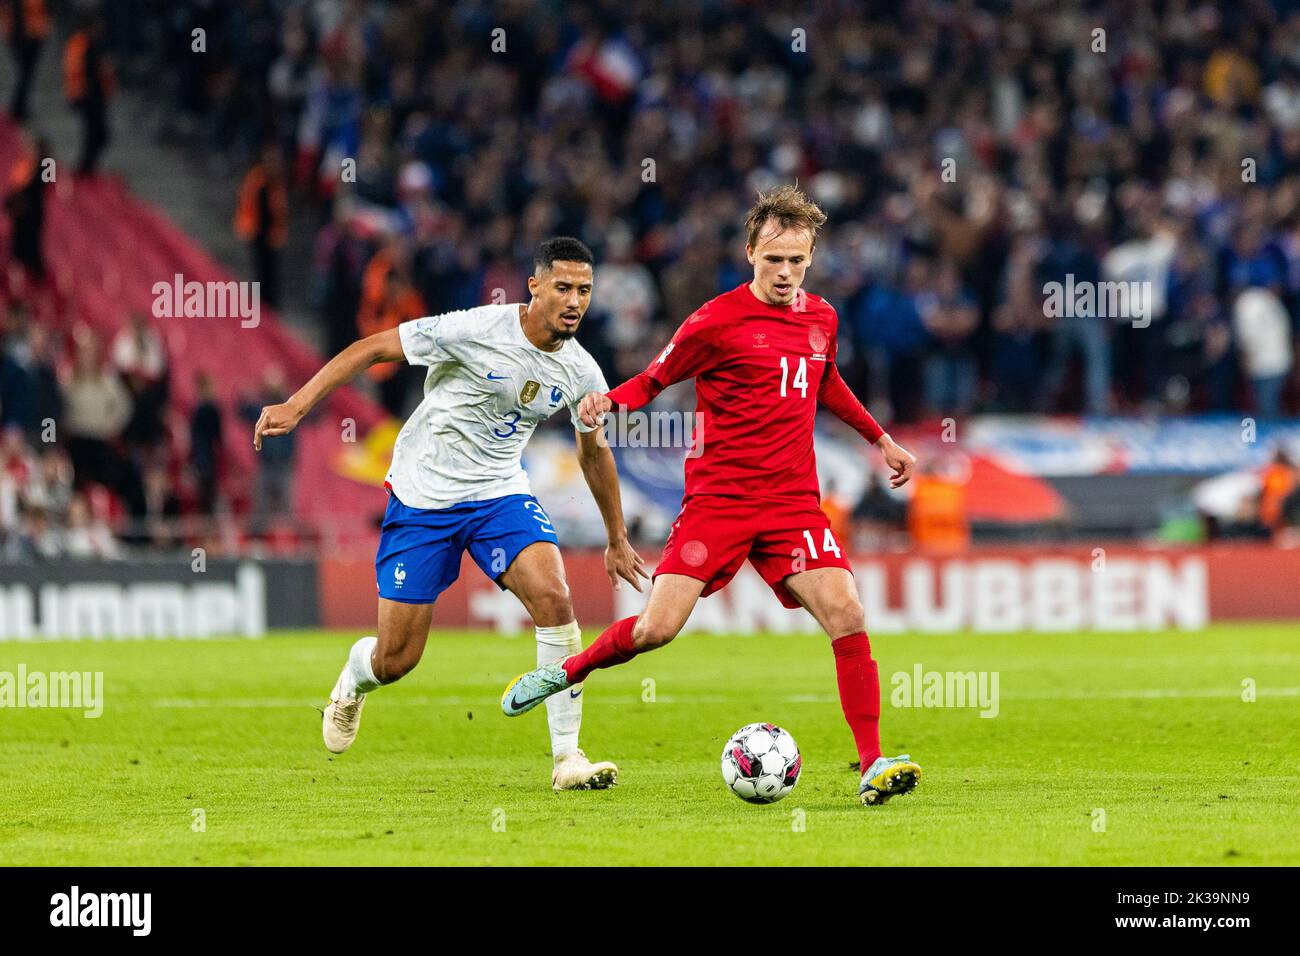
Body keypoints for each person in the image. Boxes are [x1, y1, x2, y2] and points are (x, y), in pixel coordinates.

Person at [501, 187, 923, 807]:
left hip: (792, 504)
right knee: (656, 629)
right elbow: (655, 378)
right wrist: (608, 402)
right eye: (774, 260)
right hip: (718, 503)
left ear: (810, 259)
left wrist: (881, 439)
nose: (784, 273)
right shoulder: (716, 321)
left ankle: (871, 763)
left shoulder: (822, 319)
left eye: (797, 262)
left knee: (848, 614)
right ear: (750, 252)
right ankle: (565, 671)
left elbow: (827, 383)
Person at [253, 237, 648, 791]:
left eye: (584, 290)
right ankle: (354, 678)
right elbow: (372, 348)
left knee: (556, 599)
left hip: (498, 495)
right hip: (424, 497)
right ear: (534, 287)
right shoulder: (474, 329)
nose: (574, 300)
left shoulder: (583, 372)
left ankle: (566, 760)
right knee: (397, 660)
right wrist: (296, 405)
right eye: (562, 287)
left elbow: (593, 452)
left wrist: (616, 538)